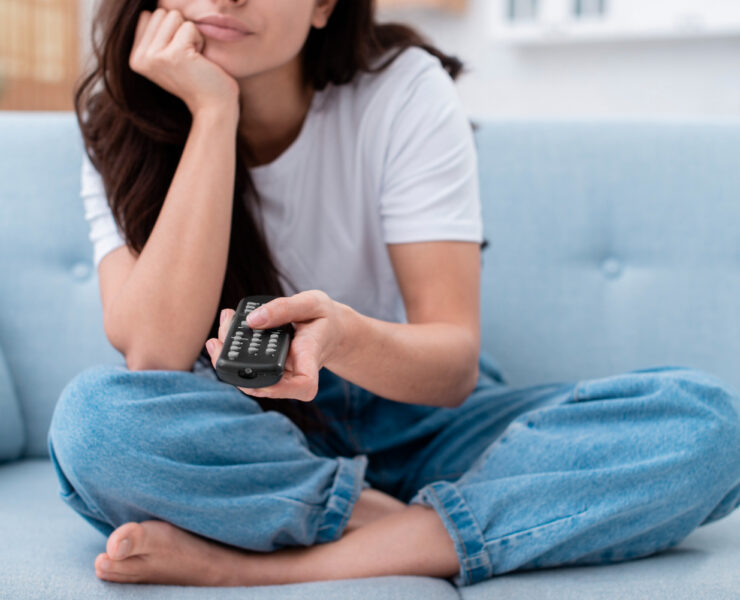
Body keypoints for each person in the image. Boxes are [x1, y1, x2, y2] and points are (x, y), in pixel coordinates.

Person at [47, 0, 740, 589]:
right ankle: (403, 522)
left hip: (415, 419)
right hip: (250, 440)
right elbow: (155, 353)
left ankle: (286, 565)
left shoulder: (403, 89)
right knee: (95, 424)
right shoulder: (118, 123)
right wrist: (212, 112)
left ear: (324, 5)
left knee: (705, 424)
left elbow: (450, 367)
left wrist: (345, 337)